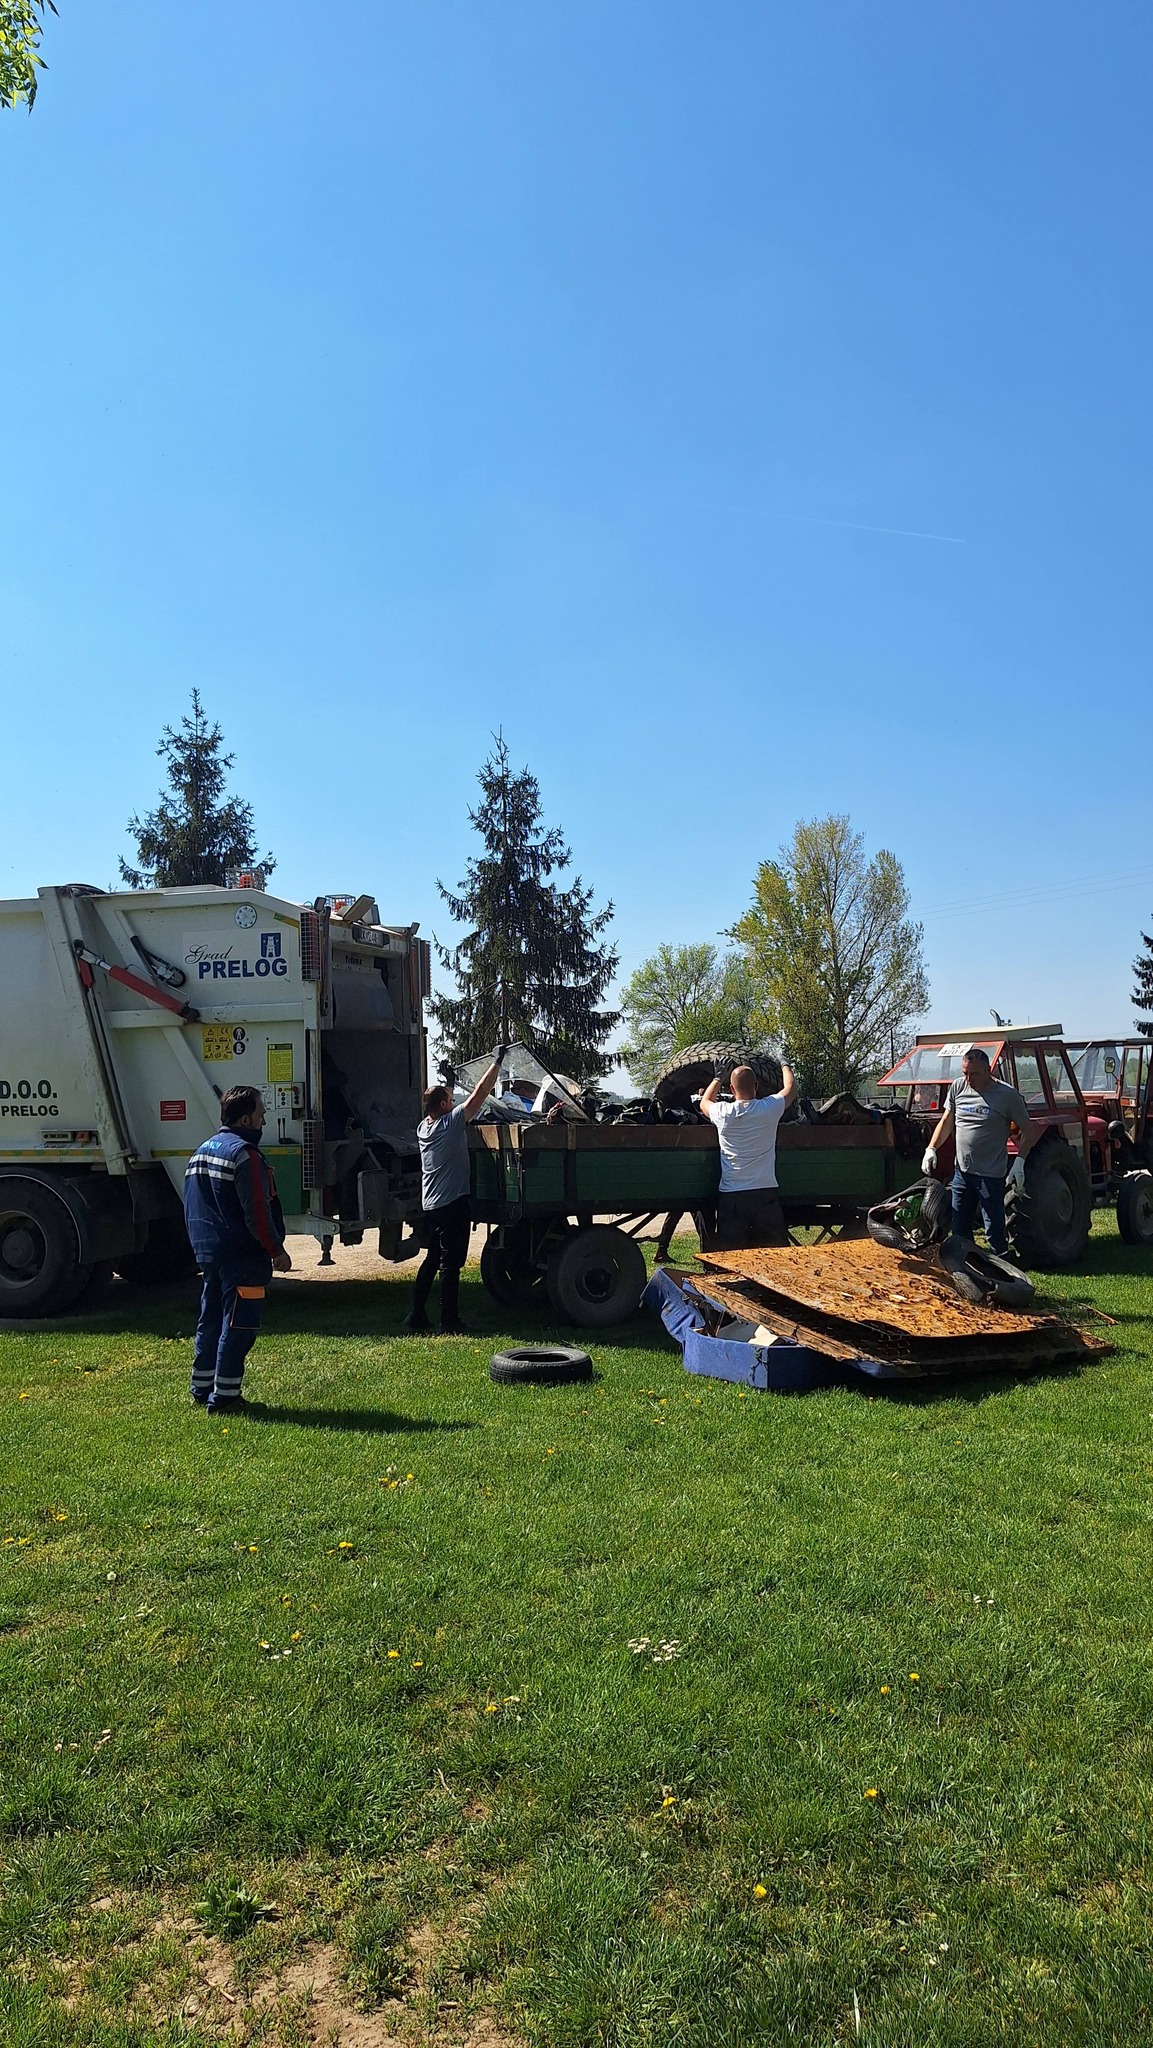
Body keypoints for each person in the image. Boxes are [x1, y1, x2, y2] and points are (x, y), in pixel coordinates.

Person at [184, 1085, 292, 1414]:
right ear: (245, 1118)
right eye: (260, 1116)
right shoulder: (245, 1155)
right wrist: (276, 1250)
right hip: (242, 1255)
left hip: (209, 1253)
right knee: (239, 1326)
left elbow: (190, 1205)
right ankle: (226, 1397)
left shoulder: (201, 1151)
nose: (263, 1122)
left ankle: (201, 1388)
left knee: (211, 1321)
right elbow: (257, 1212)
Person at [403, 1046, 506, 1334]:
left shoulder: (425, 1126)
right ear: (446, 1105)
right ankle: (448, 1321)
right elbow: (480, 1093)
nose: (453, 1100)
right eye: (450, 1098)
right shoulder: (450, 1124)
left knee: (432, 1259)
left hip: (431, 1204)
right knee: (451, 1265)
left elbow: (440, 1101)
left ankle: (416, 1314)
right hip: (452, 1203)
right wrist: (496, 1062)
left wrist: (446, 1083)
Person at [922, 1045, 1038, 1256]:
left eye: (974, 1073)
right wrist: (931, 1148)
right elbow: (947, 1121)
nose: (969, 1079)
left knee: (993, 1229)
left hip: (990, 1175)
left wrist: (1020, 1161)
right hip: (963, 1173)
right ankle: (966, 1269)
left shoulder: (1007, 1096)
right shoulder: (958, 1087)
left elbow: (1029, 1131)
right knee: (959, 1228)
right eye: (965, 1073)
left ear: (988, 1070)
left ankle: (1002, 1274)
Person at [697, 1059, 797, 1250]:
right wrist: (784, 1064)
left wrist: (718, 1077)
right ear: (757, 1086)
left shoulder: (723, 1112)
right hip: (765, 1194)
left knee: (733, 1258)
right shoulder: (768, 1108)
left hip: (732, 1197)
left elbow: (704, 1102)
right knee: (775, 1257)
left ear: (732, 1090)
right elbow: (790, 1088)